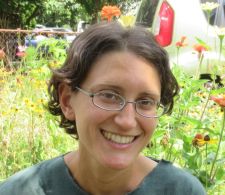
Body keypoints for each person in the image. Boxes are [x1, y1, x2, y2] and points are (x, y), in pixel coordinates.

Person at [0, 21, 206, 195]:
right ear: (67, 100)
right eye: (109, 96)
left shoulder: (182, 191)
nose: (127, 121)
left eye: (145, 101)